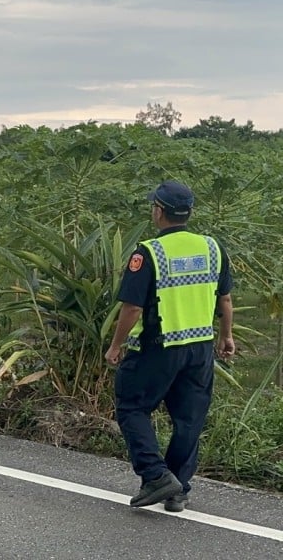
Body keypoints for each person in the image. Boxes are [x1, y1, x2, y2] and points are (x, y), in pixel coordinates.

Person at [105, 180, 234, 511]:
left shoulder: (149, 253)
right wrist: (226, 336)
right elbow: (224, 298)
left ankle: (156, 475)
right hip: (200, 348)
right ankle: (178, 489)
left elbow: (132, 308)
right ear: (189, 212)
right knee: (189, 419)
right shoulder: (212, 247)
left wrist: (116, 345)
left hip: (158, 347)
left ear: (159, 211)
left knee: (132, 406)